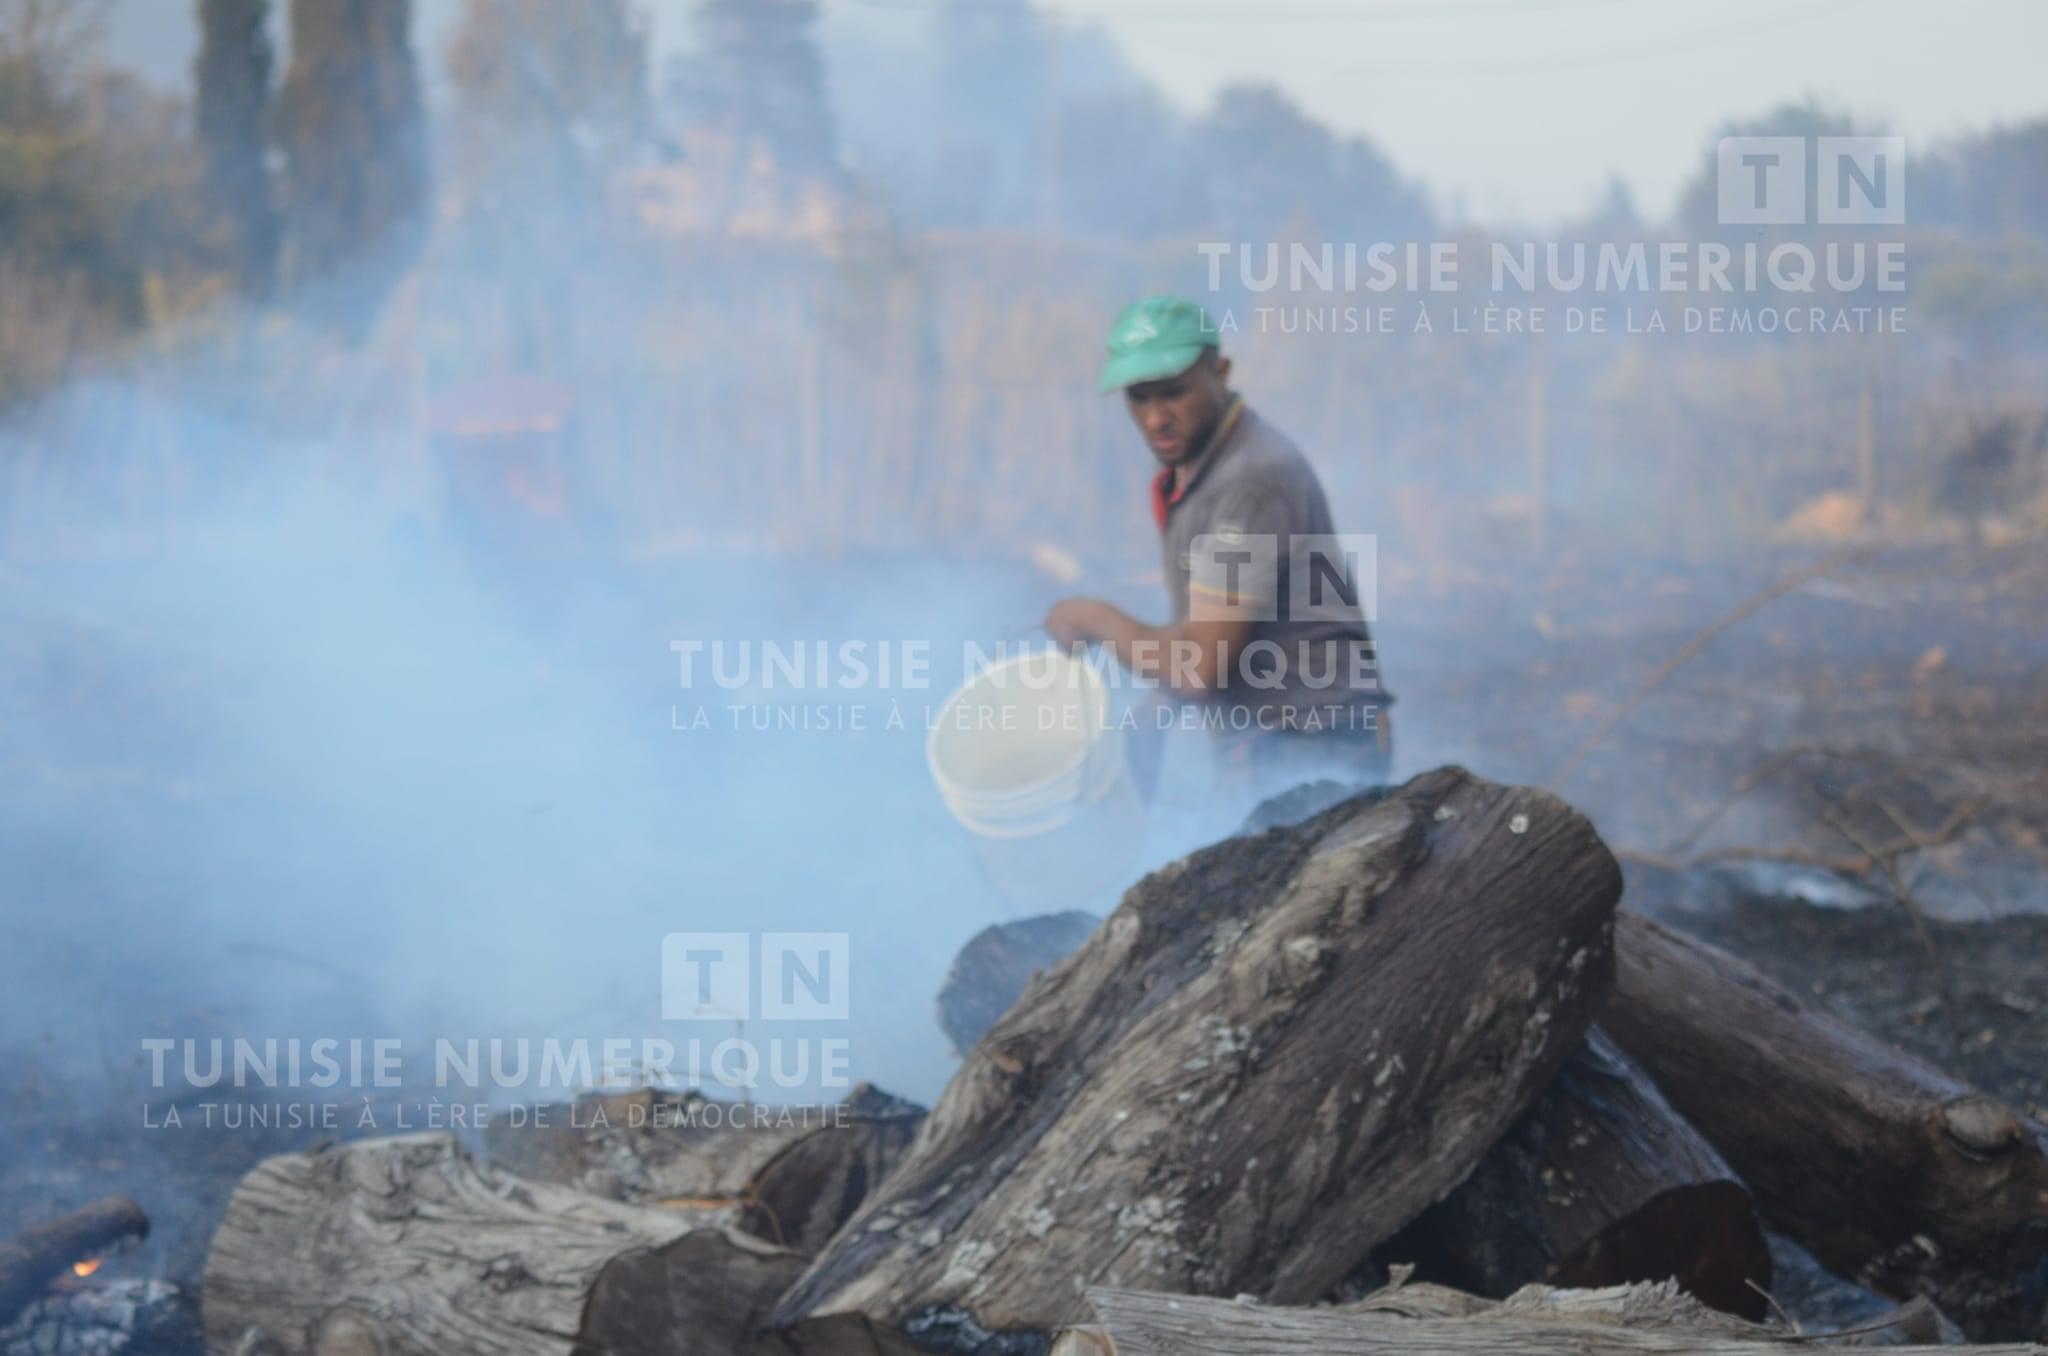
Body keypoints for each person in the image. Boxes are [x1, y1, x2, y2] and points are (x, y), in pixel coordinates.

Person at [1044, 294, 1393, 786]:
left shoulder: (1249, 485)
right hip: (1275, 745)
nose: (1155, 418)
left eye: (1173, 393)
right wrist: (1155, 710)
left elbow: (1198, 667)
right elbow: (1214, 631)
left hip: (1315, 750)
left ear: (1221, 372)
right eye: (1138, 397)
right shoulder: (1200, 470)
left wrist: (1093, 617)